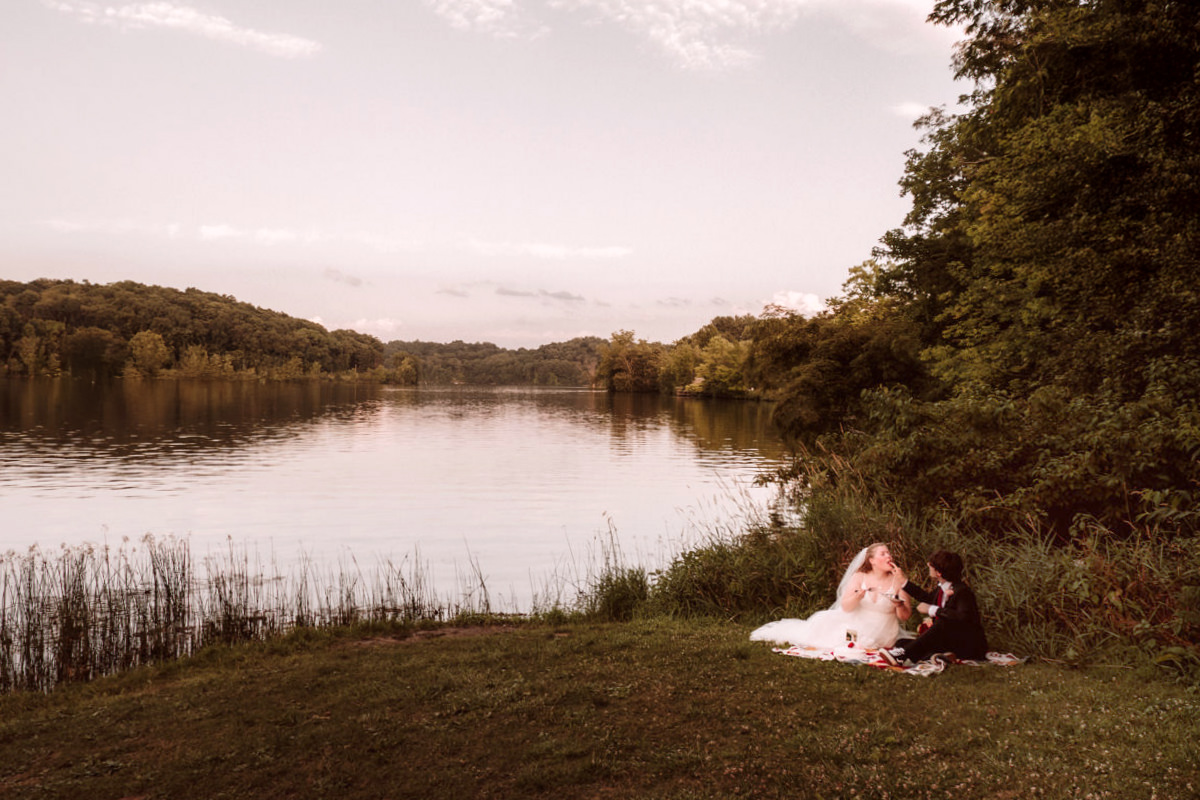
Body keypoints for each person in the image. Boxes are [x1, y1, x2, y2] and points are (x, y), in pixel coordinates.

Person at [750, 543, 912, 651]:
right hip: (855, 622)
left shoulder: (898, 580)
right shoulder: (860, 576)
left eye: (889, 553)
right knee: (826, 628)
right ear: (872, 561)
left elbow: (905, 617)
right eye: (883, 554)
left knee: (855, 644)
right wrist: (858, 596)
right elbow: (846, 607)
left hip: (883, 632)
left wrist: (898, 604)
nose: (889, 557)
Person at [880, 550, 988, 666]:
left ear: (939, 573)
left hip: (968, 646)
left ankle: (901, 656)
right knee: (901, 642)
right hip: (949, 641)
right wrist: (904, 582)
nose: (928, 565)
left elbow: (963, 617)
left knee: (943, 622)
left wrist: (932, 610)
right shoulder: (942, 587)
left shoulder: (962, 591)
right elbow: (926, 597)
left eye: (931, 565)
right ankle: (939, 656)